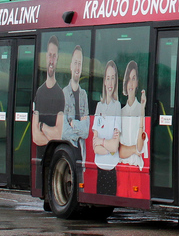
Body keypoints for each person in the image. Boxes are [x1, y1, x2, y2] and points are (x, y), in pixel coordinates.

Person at [91, 59, 122, 195]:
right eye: (108, 78)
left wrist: (102, 142)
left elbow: (115, 147)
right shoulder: (99, 106)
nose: (110, 83)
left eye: (113, 78)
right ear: (104, 81)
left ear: (116, 82)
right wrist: (107, 146)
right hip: (98, 167)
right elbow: (94, 146)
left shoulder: (117, 106)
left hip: (111, 170)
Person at [32, 37, 65, 148]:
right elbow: (35, 137)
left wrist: (42, 126)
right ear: (46, 57)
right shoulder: (39, 92)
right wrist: (51, 134)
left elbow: (58, 135)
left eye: (54, 56)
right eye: (50, 55)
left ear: (57, 59)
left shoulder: (60, 94)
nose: (51, 60)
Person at [61, 46, 90, 158]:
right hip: (69, 148)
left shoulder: (84, 95)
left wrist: (73, 123)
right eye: (75, 63)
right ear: (71, 66)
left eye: (80, 64)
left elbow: (86, 132)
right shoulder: (64, 94)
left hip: (81, 153)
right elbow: (64, 131)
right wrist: (80, 128)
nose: (77, 67)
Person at [118, 60, 148, 169]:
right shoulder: (120, 113)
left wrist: (142, 110)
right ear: (125, 83)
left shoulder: (141, 110)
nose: (131, 83)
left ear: (137, 83)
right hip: (122, 167)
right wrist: (133, 149)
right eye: (128, 79)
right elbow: (119, 151)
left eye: (134, 78)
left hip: (137, 168)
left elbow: (140, 148)